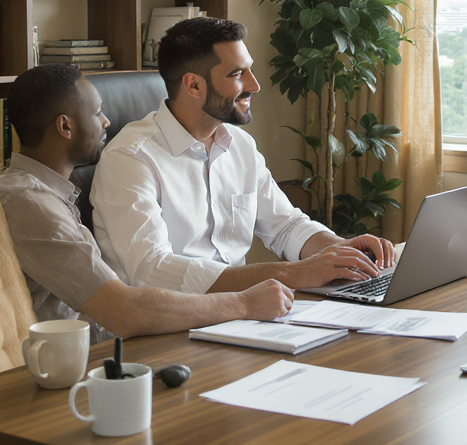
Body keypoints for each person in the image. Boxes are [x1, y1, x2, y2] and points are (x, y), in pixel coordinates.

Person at [91, 16, 397, 295]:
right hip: (165, 329)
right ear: (194, 85)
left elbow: (285, 226)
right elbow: (152, 270)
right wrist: (291, 274)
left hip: (241, 314)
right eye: (238, 74)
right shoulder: (130, 158)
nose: (255, 85)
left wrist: (342, 251)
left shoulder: (240, 145)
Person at [0, 64, 294, 340]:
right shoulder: (31, 202)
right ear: (65, 127)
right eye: (97, 112)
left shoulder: (49, 194)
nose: (106, 121)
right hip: (75, 363)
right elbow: (125, 312)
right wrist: (243, 302)